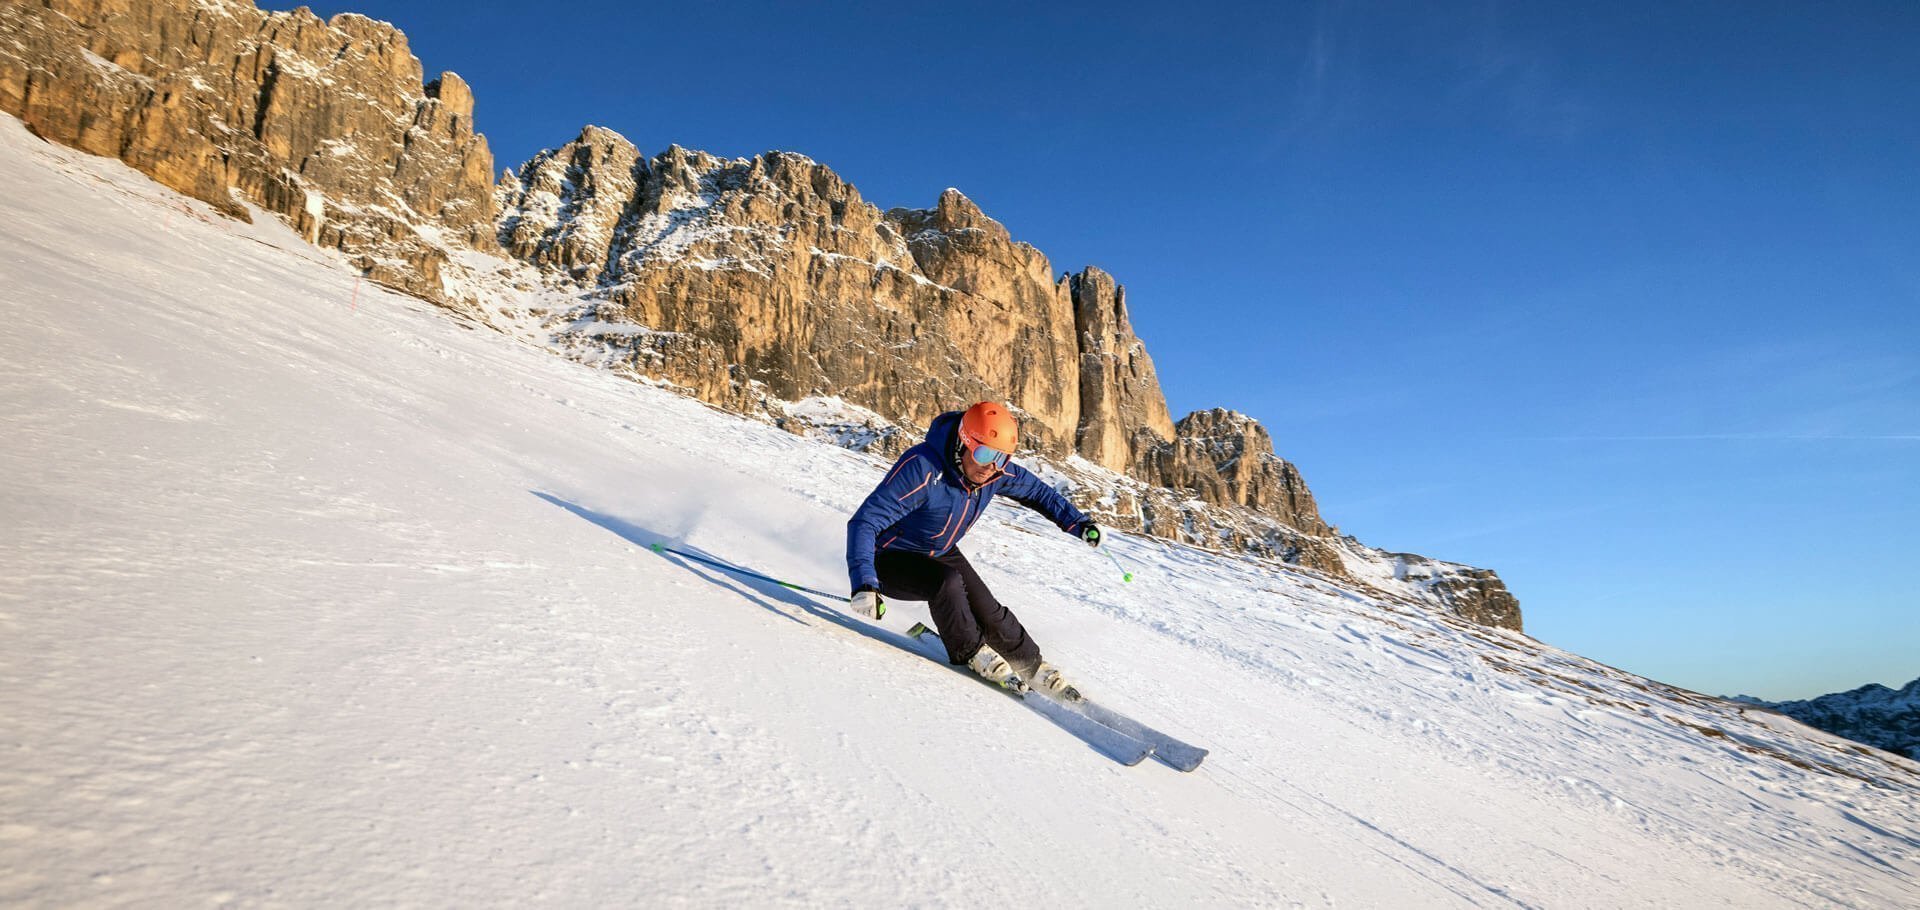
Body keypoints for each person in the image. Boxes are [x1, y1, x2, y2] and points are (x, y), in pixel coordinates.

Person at [845, 401, 1103, 699]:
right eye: (984, 454)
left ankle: (1032, 666)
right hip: (887, 558)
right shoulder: (923, 468)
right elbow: (865, 522)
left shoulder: (994, 473)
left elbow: (1037, 492)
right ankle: (973, 651)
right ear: (964, 444)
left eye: (1002, 458)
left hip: (938, 549)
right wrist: (864, 583)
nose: (992, 466)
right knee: (946, 584)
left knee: (987, 608)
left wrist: (1078, 524)